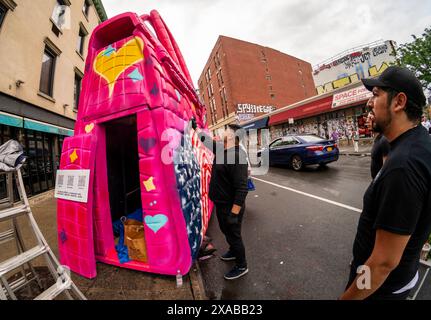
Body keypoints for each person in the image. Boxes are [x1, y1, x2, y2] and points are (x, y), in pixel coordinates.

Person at [340, 66, 431, 300]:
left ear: (399, 102)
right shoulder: (417, 142)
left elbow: (382, 264)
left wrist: (349, 297)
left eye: (377, 94)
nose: (370, 103)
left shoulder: (403, 166)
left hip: (380, 288)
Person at [193, 121, 249, 280]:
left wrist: (234, 213)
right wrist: (195, 129)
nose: (223, 131)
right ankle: (233, 251)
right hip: (221, 204)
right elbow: (208, 142)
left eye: (226, 130)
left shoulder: (237, 156)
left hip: (231, 207)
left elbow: (242, 189)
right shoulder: (223, 149)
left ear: (232, 136)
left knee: (234, 235)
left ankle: (241, 265)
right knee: (227, 232)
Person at [367, 112, 391, 179]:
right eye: (367, 118)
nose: (367, 121)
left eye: (370, 118)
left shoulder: (384, 140)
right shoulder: (377, 139)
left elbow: (386, 170)